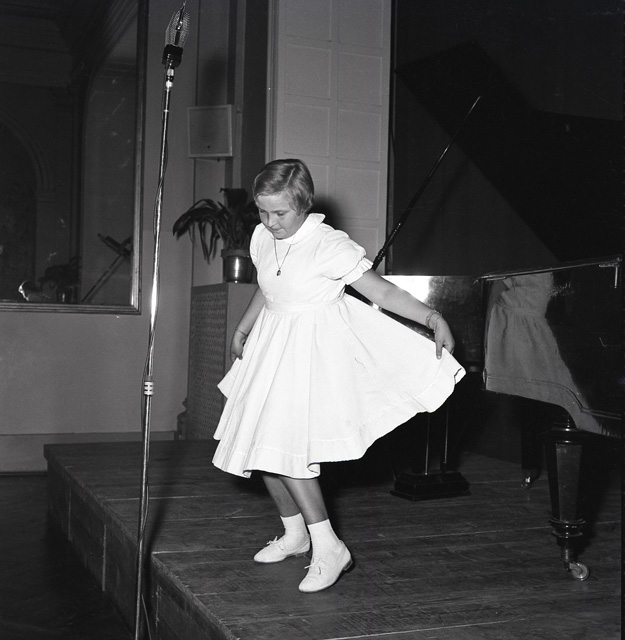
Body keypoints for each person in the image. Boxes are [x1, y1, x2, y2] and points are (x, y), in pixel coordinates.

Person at [213, 159, 465, 593]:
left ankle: (329, 548)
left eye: (280, 213)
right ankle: (295, 534)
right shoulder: (261, 236)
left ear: (304, 205)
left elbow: (381, 290)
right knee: (260, 447)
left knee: (288, 451)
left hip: (309, 355)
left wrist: (432, 317)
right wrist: (243, 327)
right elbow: (269, 286)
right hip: (271, 348)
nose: (270, 222)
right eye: (263, 212)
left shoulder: (328, 244)